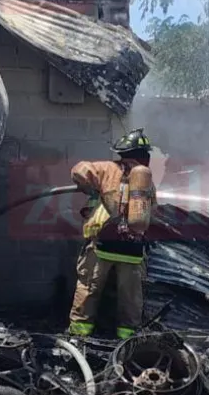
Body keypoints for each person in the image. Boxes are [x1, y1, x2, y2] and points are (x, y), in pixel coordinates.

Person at [67, 128, 157, 340]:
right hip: (132, 250)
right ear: (145, 156)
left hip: (102, 247)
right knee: (130, 299)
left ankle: (78, 338)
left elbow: (79, 171)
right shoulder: (146, 182)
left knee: (88, 290)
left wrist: (91, 188)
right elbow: (153, 211)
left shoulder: (106, 168)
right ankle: (127, 340)